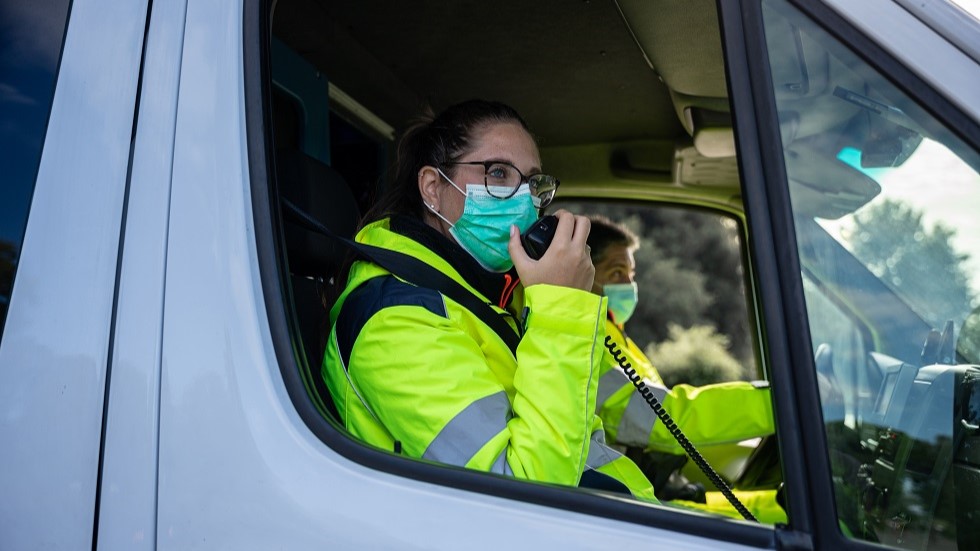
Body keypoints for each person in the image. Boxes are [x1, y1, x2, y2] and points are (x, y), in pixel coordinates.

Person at [321, 100, 656, 502]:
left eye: (532, 182)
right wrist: (561, 308)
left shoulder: (489, 299)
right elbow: (525, 494)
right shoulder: (393, 319)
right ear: (433, 188)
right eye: (498, 173)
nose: (524, 200)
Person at [585, 214, 786, 522]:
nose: (629, 284)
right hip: (625, 502)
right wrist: (782, 402)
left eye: (631, 273)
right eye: (616, 273)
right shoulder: (585, 342)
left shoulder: (614, 336)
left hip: (652, 486)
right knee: (790, 515)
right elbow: (667, 420)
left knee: (785, 507)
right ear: (581, 272)